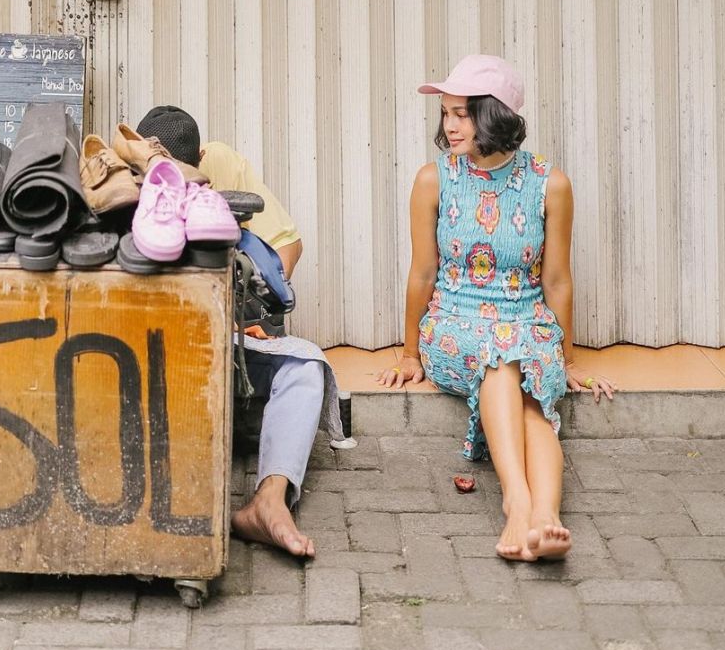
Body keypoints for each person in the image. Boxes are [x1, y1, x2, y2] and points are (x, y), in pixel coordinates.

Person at [377, 55, 615, 561]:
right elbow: (422, 273)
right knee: (500, 357)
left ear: (494, 115)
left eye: (462, 113)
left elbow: (555, 278)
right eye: (446, 114)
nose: (450, 125)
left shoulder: (550, 184)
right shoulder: (432, 180)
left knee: (530, 392)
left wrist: (567, 360)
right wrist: (408, 352)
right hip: (454, 324)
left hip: (527, 319)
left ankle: (545, 517)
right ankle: (519, 501)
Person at [136, 105, 343, 559]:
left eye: (191, 177)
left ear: (203, 160)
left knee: (307, 365)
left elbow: (288, 242)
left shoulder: (221, 163)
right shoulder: (129, 181)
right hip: (152, 341)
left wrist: (257, 304)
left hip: (226, 332)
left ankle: (268, 503)